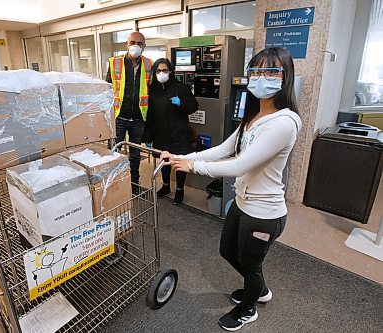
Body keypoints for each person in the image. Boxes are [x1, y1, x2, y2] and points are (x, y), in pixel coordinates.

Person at [160, 47, 302, 331]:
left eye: (271, 71)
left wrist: (193, 168)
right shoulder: (252, 118)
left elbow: (239, 165)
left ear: (285, 78)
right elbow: (224, 149)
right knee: (228, 251)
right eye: (256, 71)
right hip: (243, 203)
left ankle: (249, 307)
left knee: (251, 265)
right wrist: (182, 158)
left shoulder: (285, 122)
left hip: (264, 212)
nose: (262, 78)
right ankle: (258, 290)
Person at [143, 58, 198, 205]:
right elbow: (149, 115)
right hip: (160, 133)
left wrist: (181, 103)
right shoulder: (152, 90)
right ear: (155, 72)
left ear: (171, 71)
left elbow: (194, 106)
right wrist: (147, 136)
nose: (162, 73)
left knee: (179, 163)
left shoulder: (180, 88)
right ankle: (166, 186)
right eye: (159, 71)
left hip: (179, 133)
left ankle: (180, 190)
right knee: (164, 162)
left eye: (165, 70)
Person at [106, 31, 153, 195]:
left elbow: (150, 91)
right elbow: (106, 89)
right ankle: (113, 187)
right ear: (127, 44)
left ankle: (134, 186)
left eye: (140, 43)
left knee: (135, 156)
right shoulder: (114, 63)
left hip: (139, 119)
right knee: (113, 154)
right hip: (118, 117)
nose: (136, 46)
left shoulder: (149, 64)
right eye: (133, 42)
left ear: (144, 47)